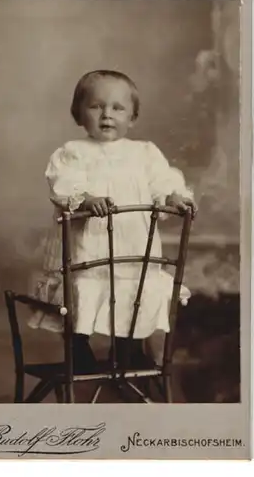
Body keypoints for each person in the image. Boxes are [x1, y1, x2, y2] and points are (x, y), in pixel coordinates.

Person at [28, 69, 197, 373]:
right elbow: (62, 185)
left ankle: (129, 348)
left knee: (135, 291)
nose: (107, 115)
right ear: (78, 114)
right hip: (88, 248)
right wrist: (86, 198)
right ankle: (78, 347)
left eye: (118, 108)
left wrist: (173, 195)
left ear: (132, 117)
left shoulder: (144, 153)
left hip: (133, 246)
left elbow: (163, 180)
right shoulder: (73, 153)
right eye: (96, 106)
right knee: (82, 289)